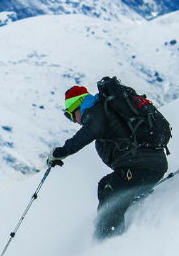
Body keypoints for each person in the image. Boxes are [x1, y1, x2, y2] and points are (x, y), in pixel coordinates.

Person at [47, 84, 168, 238]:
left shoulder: (96, 112)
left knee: (111, 200)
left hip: (140, 168)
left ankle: (107, 242)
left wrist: (61, 152)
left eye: (70, 115)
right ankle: (135, 197)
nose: (74, 121)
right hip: (149, 165)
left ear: (79, 105)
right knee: (104, 185)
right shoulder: (103, 108)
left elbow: (87, 133)